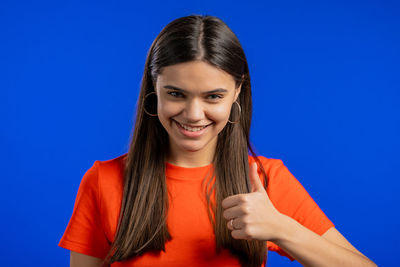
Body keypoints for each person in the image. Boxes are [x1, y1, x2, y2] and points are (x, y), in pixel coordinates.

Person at [58, 14, 377, 267]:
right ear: (154, 90)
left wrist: (282, 228)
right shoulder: (103, 182)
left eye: (213, 96)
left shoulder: (265, 182)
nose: (194, 114)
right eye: (175, 94)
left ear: (237, 92)